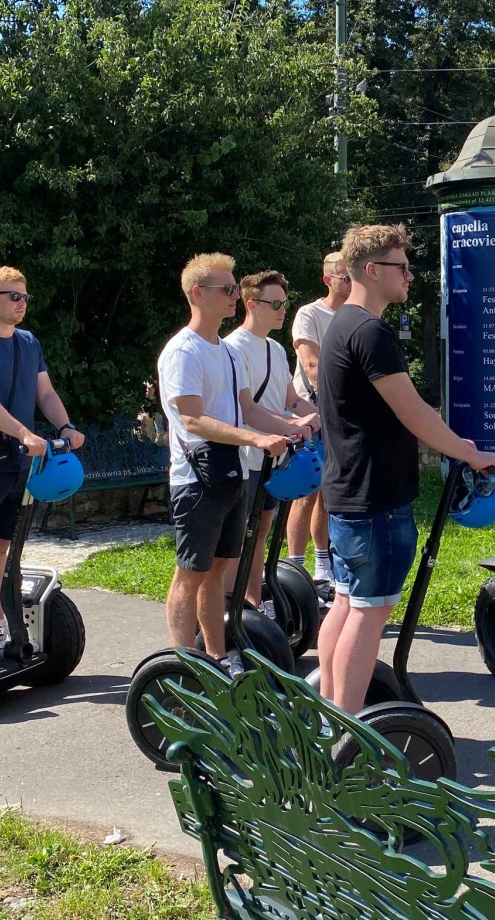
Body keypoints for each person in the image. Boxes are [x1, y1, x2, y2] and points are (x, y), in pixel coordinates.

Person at [315, 224, 495, 714]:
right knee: (370, 611)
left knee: (346, 603)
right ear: (373, 271)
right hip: (375, 498)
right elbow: (413, 411)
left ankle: (327, 715)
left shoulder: (341, 323)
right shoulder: (370, 331)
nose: (410, 276)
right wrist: (470, 453)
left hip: (347, 493)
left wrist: (457, 444)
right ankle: (346, 732)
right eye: (401, 267)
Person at [157, 253, 303, 675]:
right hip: (196, 479)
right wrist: (255, 438)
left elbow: (249, 409)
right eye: (227, 289)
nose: (235, 295)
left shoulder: (227, 351)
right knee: (190, 572)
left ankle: (218, 657)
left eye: (235, 287)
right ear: (197, 294)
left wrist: (290, 427)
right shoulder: (183, 351)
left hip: (231, 473)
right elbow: (191, 418)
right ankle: (182, 665)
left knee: (219, 570)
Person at [0, 266, 84, 666]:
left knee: (1, 548)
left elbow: (45, 391)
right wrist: (24, 432)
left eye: (25, 298)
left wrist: (65, 425)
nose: (21, 304)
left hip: (18, 463)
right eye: (13, 296)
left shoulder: (27, 342)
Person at [222, 270, 321, 609]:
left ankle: (255, 601)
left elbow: (291, 400)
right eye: (275, 303)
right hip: (245, 457)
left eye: (284, 303)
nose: (282, 310)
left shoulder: (276, 349)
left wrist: (327, 418)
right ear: (251, 304)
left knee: (261, 531)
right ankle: (230, 606)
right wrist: (290, 425)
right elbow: (245, 409)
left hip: (274, 457)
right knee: (238, 539)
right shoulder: (234, 348)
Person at [287, 251, 351, 585]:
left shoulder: (356, 314)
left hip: (342, 415)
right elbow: (311, 366)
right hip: (311, 412)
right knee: (307, 490)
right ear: (328, 280)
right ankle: (294, 569)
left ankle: (323, 566)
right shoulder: (308, 314)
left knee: (330, 492)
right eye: (345, 277)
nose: (351, 282)